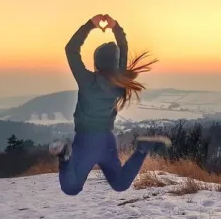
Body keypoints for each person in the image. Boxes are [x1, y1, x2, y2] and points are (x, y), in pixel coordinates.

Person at [50, 14, 171, 196]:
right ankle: (142, 149)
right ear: (115, 63)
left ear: (97, 62)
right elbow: (123, 48)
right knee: (120, 184)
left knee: (71, 188)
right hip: (107, 141)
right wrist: (116, 28)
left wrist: (91, 25)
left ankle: (65, 158)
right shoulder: (120, 82)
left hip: (86, 142)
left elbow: (71, 49)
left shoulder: (88, 81)